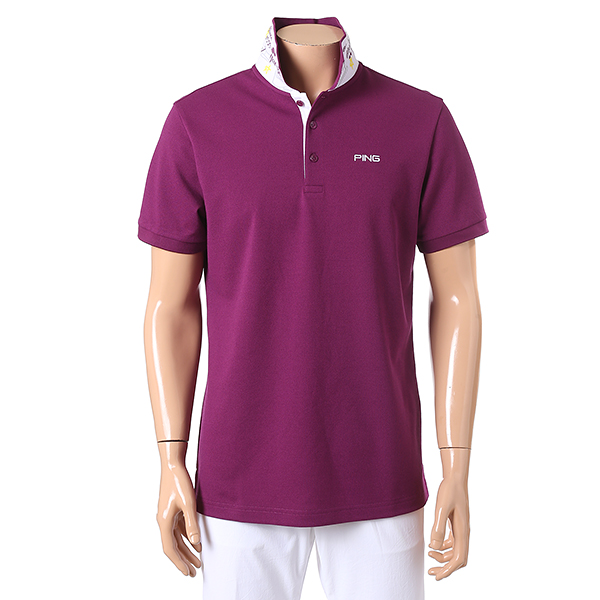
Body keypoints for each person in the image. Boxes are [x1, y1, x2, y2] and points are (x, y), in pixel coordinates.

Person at [138, 16, 488, 599]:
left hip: (380, 472)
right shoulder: (197, 122)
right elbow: (169, 306)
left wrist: (457, 464)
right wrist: (170, 458)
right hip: (238, 482)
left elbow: (458, 298)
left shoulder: (420, 120)